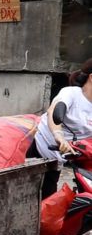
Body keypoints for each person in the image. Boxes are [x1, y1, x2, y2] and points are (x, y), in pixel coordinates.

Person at [29, 58, 92, 198]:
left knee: (47, 200)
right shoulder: (71, 93)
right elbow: (54, 111)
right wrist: (59, 135)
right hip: (36, 148)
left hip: (57, 159)